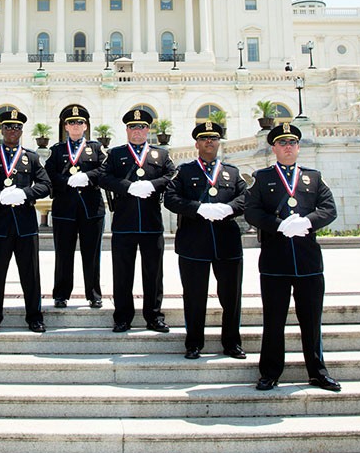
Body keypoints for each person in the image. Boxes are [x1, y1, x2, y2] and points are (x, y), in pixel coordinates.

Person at [244, 123, 341, 392]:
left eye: (293, 143)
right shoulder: (262, 178)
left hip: (308, 261)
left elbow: (329, 209)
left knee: (311, 320)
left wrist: (307, 222)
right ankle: (270, 372)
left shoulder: (314, 177)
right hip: (275, 261)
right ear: (273, 147)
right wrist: (278, 225)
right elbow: (251, 211)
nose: (288, 147)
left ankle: (318, 372)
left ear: (298, 147)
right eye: (282, 143)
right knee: (273, 320)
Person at [164, 121, 246, 359]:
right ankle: (194, 343)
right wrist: (197, 209)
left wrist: (228, 208)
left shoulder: (232, 172)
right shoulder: (185, 171)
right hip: (193, 243)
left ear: (219, 142)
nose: (209, 142)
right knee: (194, 296)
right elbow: (170, 198)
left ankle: (232, 343)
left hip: (227, 243)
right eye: (204, 138)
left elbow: (246, 198)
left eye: (213, 138)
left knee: (231, 296)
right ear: (197, 143)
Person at [98, 108, 176, 332]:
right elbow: (103, 177)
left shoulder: (160, 155)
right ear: (127, 130)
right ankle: (122, 316)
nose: (137, 131)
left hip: (151, 223)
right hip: (124, 223)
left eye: (141, 127)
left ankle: (154, 316)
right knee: (122, 273)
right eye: (133, 127)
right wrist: (128, 186)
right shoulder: (115, 154)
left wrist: (153, 184)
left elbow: (172, 175)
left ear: (147, 130)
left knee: (153, 272)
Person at [0, 109, 51, 333]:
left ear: (22, 131)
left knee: (30, 273)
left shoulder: (30, 157)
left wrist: (26, 193)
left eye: (17, 127)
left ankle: (34, 316)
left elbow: (46, 185)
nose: (13, 130)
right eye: (9, 127)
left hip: (25, 225)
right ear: (2, 130)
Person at [44, 106, 106, 309]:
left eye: (79, 122)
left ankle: (94, 294)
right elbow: (48, 174)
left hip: (91, 209)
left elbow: (105, 170)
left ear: (86, 126)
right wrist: (65, 181)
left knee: (92, 254)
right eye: (71, 122)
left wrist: (87, 177)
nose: (75, 125)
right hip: (64, 209)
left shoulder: (96, 149)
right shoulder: (57, 150)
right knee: (63, 254)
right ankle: (61, 294)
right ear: (66, 126)